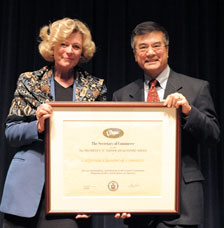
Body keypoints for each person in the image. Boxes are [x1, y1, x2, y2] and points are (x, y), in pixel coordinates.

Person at [0, 17, 107, 228]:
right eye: (64, 44)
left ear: (83, 52)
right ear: (52, 47)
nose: (69, 51)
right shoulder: (29, 81)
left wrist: (92, 196)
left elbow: (100, 147)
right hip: (25, 191)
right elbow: (11, 134)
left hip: (71, 194)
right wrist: (37, 127)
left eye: (76, 46)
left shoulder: (95, 88)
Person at [112, 21, 220, 228]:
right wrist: (121, 196)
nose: (150, 52)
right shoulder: (122, 95)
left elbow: (213, 135)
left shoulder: (196, 88)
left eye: (156, 46)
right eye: (143, 47)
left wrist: (189, 111)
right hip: (138, 202)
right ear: (135, 55)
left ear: (167, 50)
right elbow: (119, 153)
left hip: (183, 200)